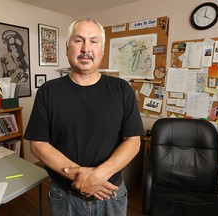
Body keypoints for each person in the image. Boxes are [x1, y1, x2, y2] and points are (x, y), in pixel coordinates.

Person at [24, 17, 144, 216]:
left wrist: (97, 176)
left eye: (93, 41)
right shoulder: (48, 91)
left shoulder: (122, 89)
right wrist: (82, 178)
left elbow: (133, 141)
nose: (86, 48)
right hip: (65, 196)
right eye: (78, 40)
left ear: (102, 50)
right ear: (67, 47)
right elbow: (38, 144)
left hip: (110, 194)